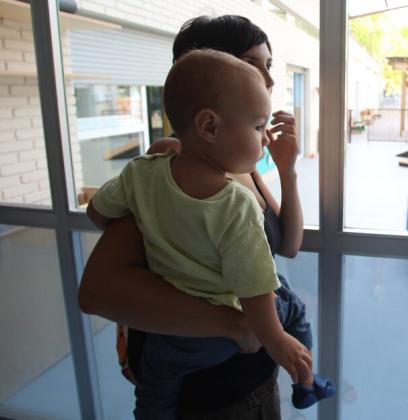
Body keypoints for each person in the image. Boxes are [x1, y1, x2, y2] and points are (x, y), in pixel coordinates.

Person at [79, 15, 318, 419]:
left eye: (268, 65)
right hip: (207, 390)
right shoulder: (169, 164)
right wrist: (236, 326)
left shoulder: (238, 160)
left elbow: (290, 245)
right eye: (249, 63)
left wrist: (288, 169)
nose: (268, 80)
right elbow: (97, 291)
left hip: (255, 376)